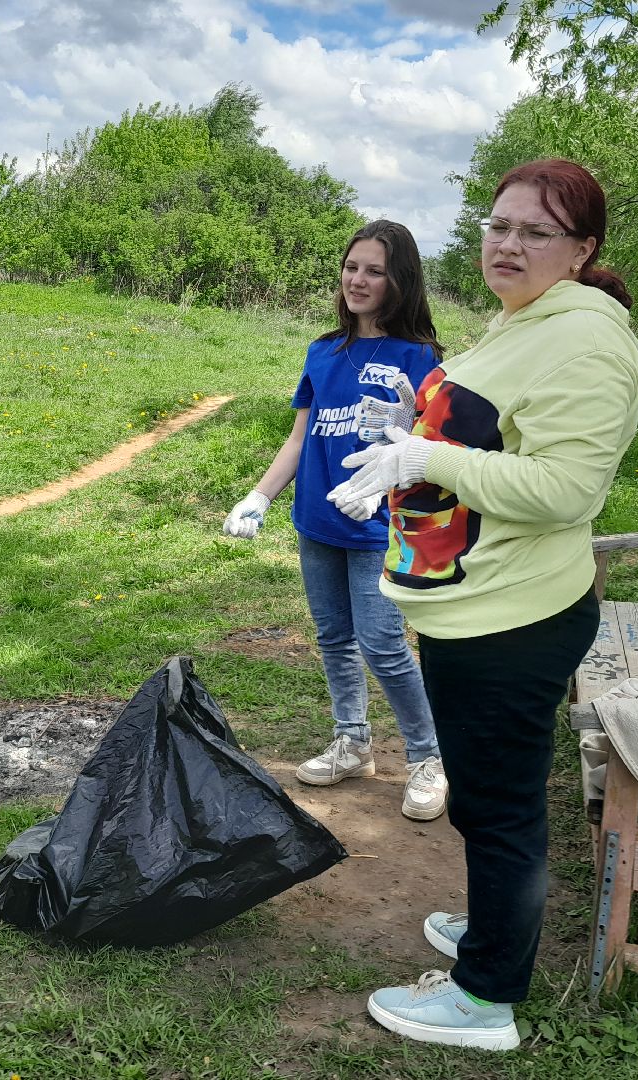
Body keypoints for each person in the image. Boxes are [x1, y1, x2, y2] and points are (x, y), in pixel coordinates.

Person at [329, 160, 638, 1051]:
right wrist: (416, 428)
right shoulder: (528, 320)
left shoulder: (583, 338)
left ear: (582, 250)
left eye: (535, 232)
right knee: (486, 798)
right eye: (499, 225)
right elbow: (496, 424)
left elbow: (568, 488)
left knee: (501, 809)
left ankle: (485, 999)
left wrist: (427, 463)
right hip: (477, 604)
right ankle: (492, 932)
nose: (507, 244)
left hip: (513, 618)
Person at [222, 219, 448, 822]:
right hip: (316, 523)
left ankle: (429, 759)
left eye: (375, 270)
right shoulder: (322, 352)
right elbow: (300, 438)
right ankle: (352, 742)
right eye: (353, 267)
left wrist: (390, 477)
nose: (359, 280)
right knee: (334, 638)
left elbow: (424, 446)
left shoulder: (419, 357)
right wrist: (260, 496)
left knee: (383, 644)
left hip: (376, 527)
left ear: (399, 281)